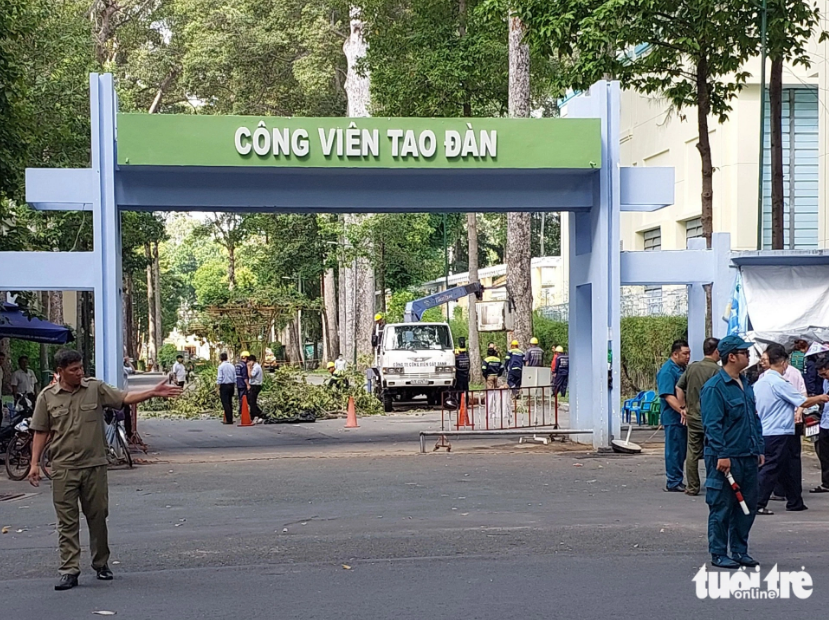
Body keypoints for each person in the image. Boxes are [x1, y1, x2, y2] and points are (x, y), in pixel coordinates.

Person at [27, 349, 181, 590]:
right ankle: (69, 570)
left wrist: (152, 392)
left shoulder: (95, 389)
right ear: (60, 372)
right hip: (64, 467)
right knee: (66, 522)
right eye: (73, 370)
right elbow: (41, 431)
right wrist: (34, 463)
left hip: (94, 466)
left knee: (98, 516)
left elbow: (124, 398)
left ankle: (101, 564)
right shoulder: (47, 397)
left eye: (80, 368)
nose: (79, 373)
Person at [700, 335, 764, 569]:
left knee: (747, 506)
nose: (748, 356)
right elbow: (713, 424)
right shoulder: (715, 388)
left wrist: (759, 448)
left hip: (747, 454)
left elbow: (753, 418)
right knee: (722, 506)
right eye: (744, 352)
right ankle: (718, 552)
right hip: (725, 457)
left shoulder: (745, 383)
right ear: (731, 357)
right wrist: (722, 454)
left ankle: (739, 550)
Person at [754, 344, 829, 516]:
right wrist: (820, 398)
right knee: (771, 467)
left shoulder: (761, 381)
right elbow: (802, 401)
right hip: (778, 431)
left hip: (769, 430)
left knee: (789, 467)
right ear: (783, 362)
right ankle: (758, 502)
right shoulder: (778, 383)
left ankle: (795, 501)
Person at [676, 337, 720, 496]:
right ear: (716, 351)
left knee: (692, 452)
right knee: (713, 450)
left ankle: (692, 486)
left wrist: (683, 407)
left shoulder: (691, 368)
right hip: (711, 418)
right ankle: (713, 483)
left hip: (693, 417)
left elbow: (679, 388)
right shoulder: (717, 371)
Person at [657, 339, 691, 492]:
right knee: (674, 449)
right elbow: (668, 395)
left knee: (681, 449)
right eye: (685, 353)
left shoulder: (682, 369)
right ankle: (673, 481)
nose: (688, 356)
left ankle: (677, 478)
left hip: (682, 416)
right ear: (675, 354)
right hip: (673, 416)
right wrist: (681, 410)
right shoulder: (667, 371)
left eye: (689, 353)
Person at [809, 357, 829, 494]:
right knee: (824, 454)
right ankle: (826, 483)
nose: (823, 377)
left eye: (825, 373)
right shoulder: (825, 382)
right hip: (826, 422)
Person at [216, 352, 236, 424]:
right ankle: (230, 418)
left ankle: (229, 420)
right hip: (231, 385)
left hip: (224, 385)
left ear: (221, 358)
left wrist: (218, 388)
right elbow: (234, 377)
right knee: (230, 402)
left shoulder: (221, 367)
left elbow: (219, 378)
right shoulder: (232, 366)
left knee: (225, 403)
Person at [454, 337, 470, 402]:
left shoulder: (457, 358)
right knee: (466, 390)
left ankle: (460, 402)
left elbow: (455, 365)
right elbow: (469, 365)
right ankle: (466, 402)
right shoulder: (467, 356)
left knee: (460, 391)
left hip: (459, 376)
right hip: (466, 376)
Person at [248, 354, 264, 420]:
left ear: (252, 361)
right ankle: (257, 413)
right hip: (254, 385)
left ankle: (256, 414)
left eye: (249, 361)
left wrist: (248, 368)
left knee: (252, 401)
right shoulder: (255, 367)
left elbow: (251, 375)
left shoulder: (256, 367)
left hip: (255, 385)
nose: (248, 363)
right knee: (251, 400)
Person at [235, 351, 250, 418]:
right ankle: (242, 411)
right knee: (243, 398)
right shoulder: (244, 366)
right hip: (243, 384)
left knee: (240, 398)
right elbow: (245, 376)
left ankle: (240, 411)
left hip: (238, 383)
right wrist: (248, 385)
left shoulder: (237, 365)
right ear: (246, 358)